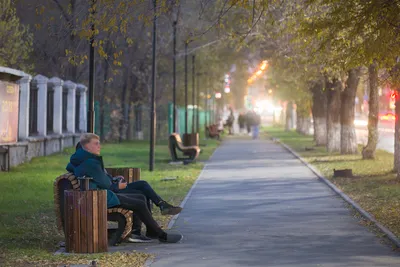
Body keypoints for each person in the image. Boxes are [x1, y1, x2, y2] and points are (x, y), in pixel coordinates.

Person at [66, 133, 183, 243]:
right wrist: (117, 185)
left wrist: (114, 179)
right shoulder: (90, 162)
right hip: (102, 197)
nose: (99, 146)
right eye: (96, 143)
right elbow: (106, 185)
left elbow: (100, 179)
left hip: (102, 194)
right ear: (86, 146)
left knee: (141, 194)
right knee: (140, 201)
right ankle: (160, 235)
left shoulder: (84, 160)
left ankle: (151, 230)